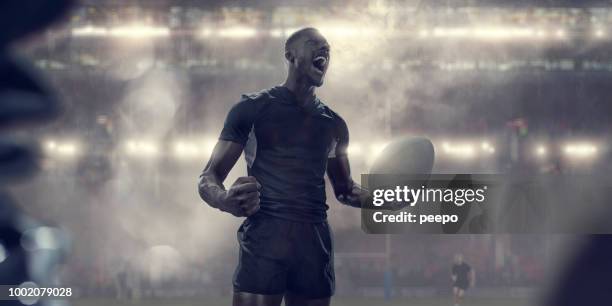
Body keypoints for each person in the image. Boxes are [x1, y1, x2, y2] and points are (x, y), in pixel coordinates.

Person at [198, 27, 367, 306]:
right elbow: (209, 176)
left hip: (314, 243)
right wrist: (224, 200)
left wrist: (388, 199)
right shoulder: (251, 109)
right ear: (290, 55)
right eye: (315, 44)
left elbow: (345, 190)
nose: (325, 51)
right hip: (266, 238)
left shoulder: (334, 125)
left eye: (328, 49)